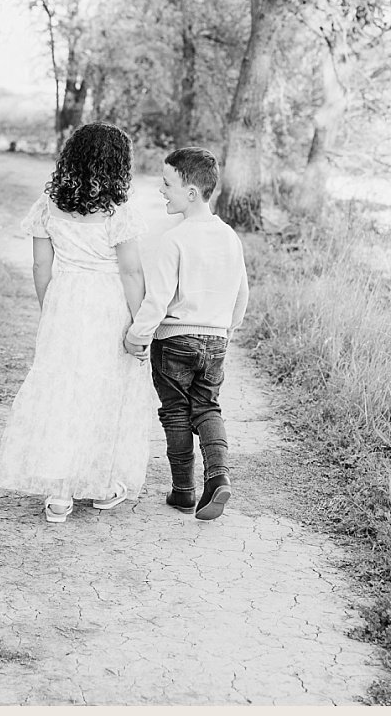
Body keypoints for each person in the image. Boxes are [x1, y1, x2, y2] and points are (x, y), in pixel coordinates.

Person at [0, 123, 157, 523]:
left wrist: (51, 308)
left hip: (65, 298)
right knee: (102, 389)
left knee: (60, 388)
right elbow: (131, 272)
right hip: (107, 303)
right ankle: (100, 485)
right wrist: (140, 324)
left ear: (72, 157)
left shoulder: (47, 208)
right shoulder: (119, 214)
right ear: (118, 164)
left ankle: (59, 492)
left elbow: (39, 266)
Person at [124, 147, 248, 521]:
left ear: (191, 192)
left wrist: (137, 335)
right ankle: (219, 474)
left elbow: (158, 298)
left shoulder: (173, 239)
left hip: (174, 339)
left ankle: (183, 490)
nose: (162, 191)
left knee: (176, 413)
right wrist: (228, 326)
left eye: (167, 184)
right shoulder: (229, 237)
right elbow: (241, 292)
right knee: (207, 406)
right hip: (216, 338)